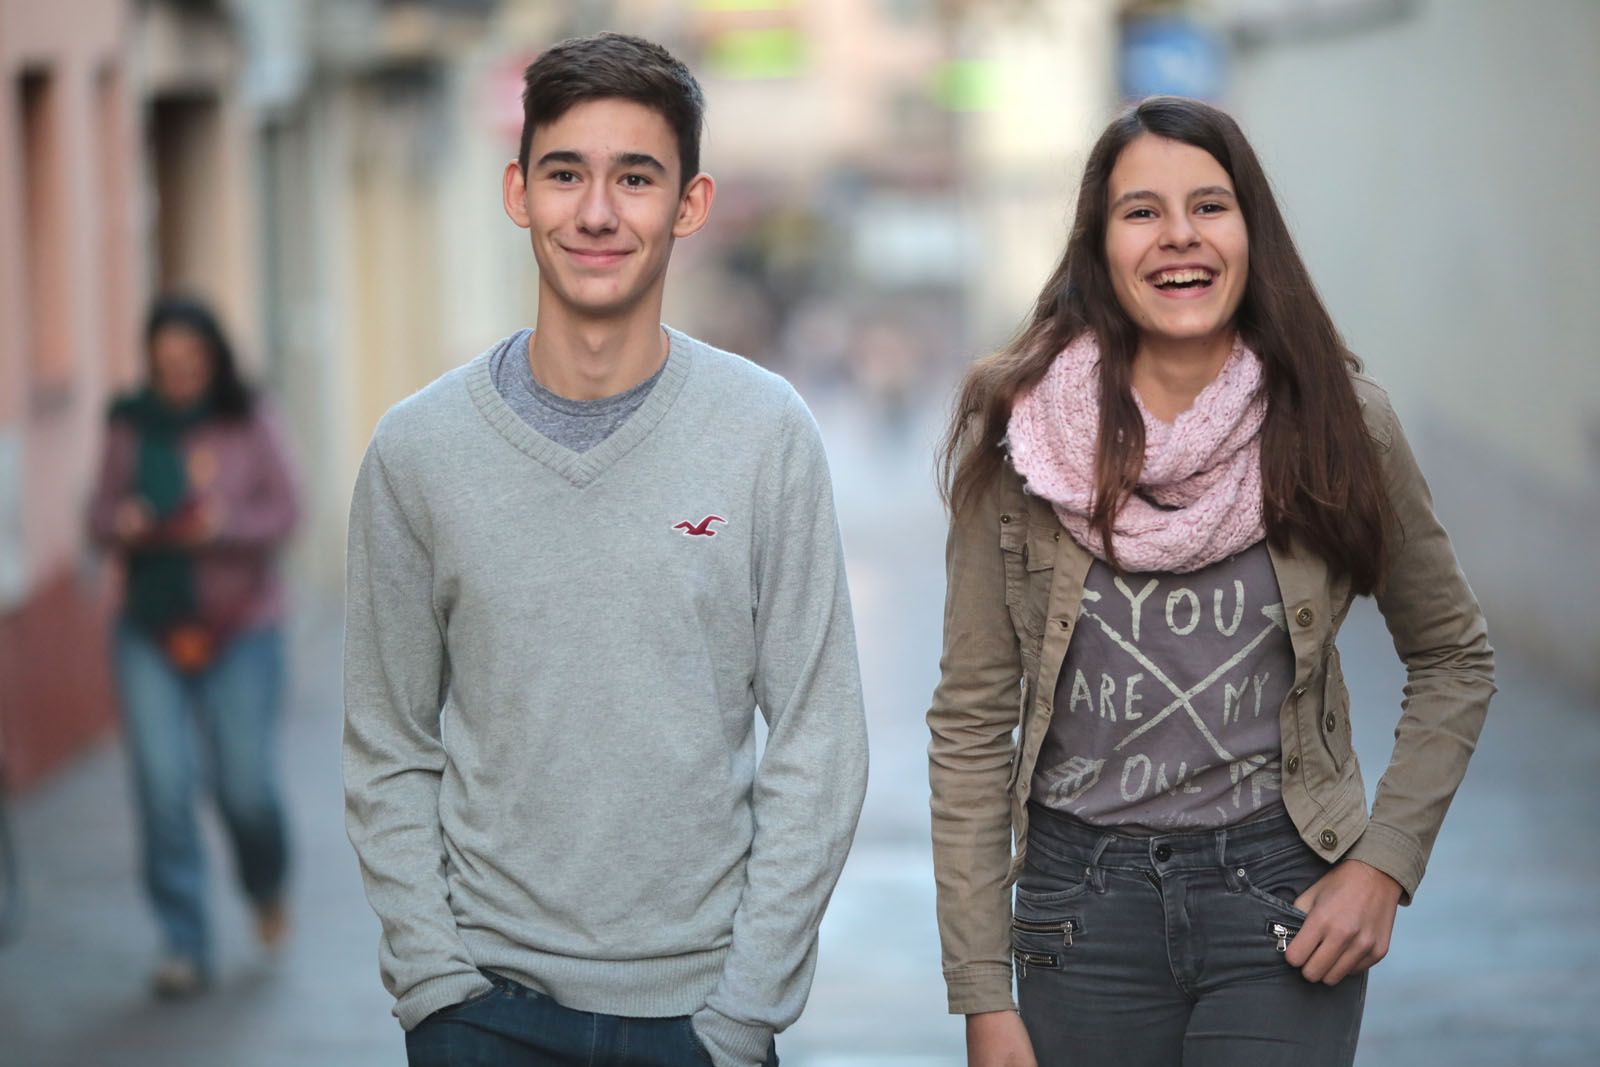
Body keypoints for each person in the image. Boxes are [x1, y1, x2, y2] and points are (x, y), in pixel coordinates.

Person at [926, 96, 1495, 1067]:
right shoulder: (1024, 433)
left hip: (1279, 898)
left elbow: (1451, 654)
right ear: (1098, 244)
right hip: (1077, 913)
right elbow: (973, 722)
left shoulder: (1338, 422)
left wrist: (1382, 864)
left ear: (1250, 233)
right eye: (1141, 210)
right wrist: (981, 989)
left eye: (1209, 205)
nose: (1178, 236)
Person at [342, 32, 868, 1067]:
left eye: (635, 177)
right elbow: (387, 740)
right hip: (483, 1007)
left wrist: (745, 1007)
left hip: (700, 1013)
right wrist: (434, 982)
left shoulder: (764, 433)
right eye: (565, 173)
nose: (595, 211)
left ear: (690, 204)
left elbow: (819, 737)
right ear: (517, 191)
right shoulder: (419, 450)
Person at [88, 296, 300, 997]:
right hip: (149, 628)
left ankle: (265, 882)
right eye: (165, 362)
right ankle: (182, 940)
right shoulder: (129, 423)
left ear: (214, 358)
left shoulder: (250, 415)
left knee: (243, 786)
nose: (178, 374)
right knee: (163, 784)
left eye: (191, 361)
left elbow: (287, 509)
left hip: (243, 625)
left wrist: (224, 525)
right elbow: (95, 516)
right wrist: (121, 519)